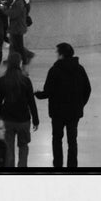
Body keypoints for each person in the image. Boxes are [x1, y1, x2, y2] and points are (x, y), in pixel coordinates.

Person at [34, 42, 90, 170]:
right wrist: (80, 104)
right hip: (74, 112)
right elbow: (88, 89)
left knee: (57, 139)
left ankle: (58, 165)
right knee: (72, 141)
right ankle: (72, 166)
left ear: (61, 54)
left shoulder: (54, 70)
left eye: (57, 53)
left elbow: (48, 91)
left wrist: (38, 95)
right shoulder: (79, 69)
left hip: (58, 113)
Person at [0, 51, 39, 168]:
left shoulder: (2, 80)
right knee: (23, 146)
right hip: (23, 119)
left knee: (8, 147)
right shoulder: (25, 80)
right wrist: (35, 119)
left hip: (7, 119)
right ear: (19, 63)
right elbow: (31, 101)